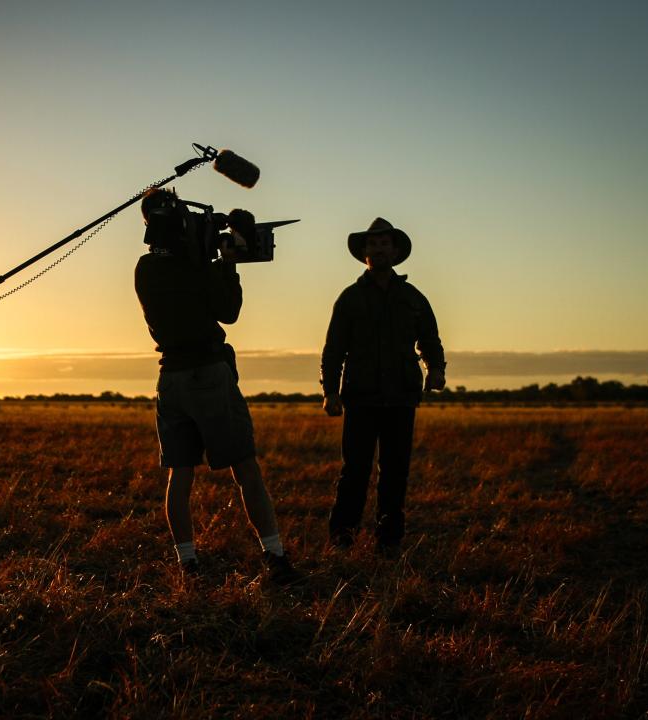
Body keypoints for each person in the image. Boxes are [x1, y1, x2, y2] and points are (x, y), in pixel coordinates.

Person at [133, 188, 299, 584]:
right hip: (208, 370)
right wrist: (227, 260)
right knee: (245, 467)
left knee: (180, 474)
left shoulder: (144, 268)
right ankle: (274, 555)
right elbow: (229, 311)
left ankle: (187, 562)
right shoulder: (197, 265)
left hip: (169, 377)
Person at [320, 217, 445, 554]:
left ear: (396, 250)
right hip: (361, 398)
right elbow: (334, 349)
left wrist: (436, 369)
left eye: (384, 243)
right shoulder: (349, 298)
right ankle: (342, 537)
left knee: (395, 472)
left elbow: (429, 339)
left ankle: (388, 539)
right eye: (372, 244)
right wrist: (330, 391)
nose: (378, 249)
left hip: (402, 398)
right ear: (364, 253)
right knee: (355, 471)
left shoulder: (413, 297)